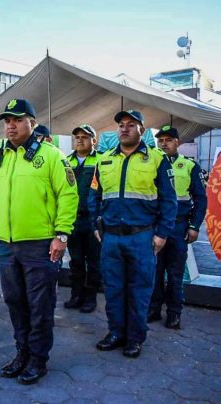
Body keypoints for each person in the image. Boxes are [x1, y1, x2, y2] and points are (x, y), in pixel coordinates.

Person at [0, 99, 78, 384]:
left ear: (32, 124)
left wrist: (62, 234)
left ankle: (38, 359)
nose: (10, 125)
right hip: (6, 245)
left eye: (17, 119)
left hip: (39, 245)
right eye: (6, 121)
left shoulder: (51, 155)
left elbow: (69, 195)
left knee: (40, 305)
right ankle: (22, 353)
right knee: (14, 302)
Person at [89, 110, 177, 358]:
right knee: (113, 288)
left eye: (131, 125)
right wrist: (96, 225)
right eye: (121, 125)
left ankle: (135, 338)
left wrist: (162, 234)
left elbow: (169, 201)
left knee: (139, 290)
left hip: (142, 236)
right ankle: (116, 332)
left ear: (142, 130)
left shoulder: (157, 159)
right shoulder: (104, 159)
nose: (125, 129)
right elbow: (93, 196)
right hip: (111, 238)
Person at [148, 126, 207, 329]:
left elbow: (200, 199)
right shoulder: (150, 164)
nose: (164, 143)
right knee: (154, 272)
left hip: (178, 226)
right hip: (155, 226)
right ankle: (153, 309)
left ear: (177, 143)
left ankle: (174, 313)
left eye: (168, 140)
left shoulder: (189, 166)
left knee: (174, 274)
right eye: (160, 140)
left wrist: (194, 226)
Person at [64, 124, 102, 313]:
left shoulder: (101, 160)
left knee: (94, 261)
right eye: (77, 136)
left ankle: (90, 298)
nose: (80, 140)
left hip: (92, 220)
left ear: (94, 141)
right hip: (73, 219)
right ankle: (76, 295)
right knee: (76, 260)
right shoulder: (66, 161)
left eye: (85, 137)